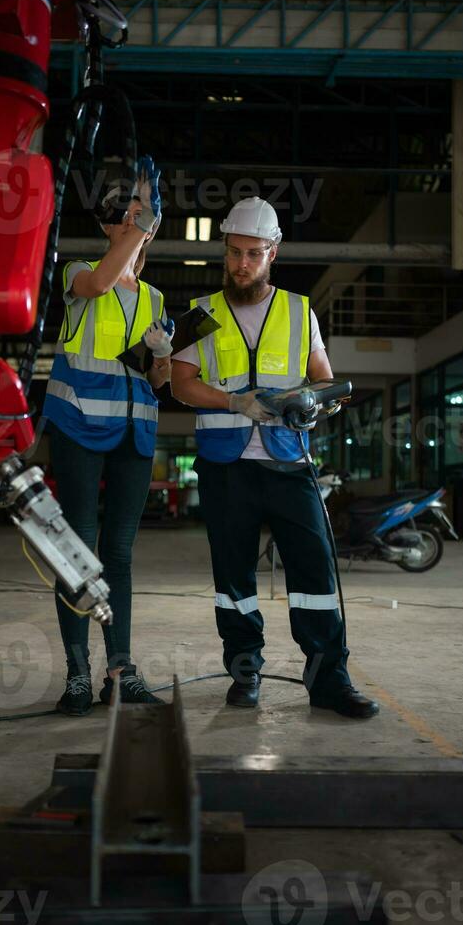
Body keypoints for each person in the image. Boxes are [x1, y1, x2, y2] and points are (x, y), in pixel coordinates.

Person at [171, 197, 379, 719]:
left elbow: (324, 381)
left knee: (315, 569)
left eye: (255, 253)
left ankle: (329, 680)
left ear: (273, 253)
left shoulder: (297, 310)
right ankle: (244, 675)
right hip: (226, 465)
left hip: (289, 462)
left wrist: (315, 405)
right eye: (235, 252)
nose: (243, 263)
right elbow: (181, 385)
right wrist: (234, 401)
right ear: (225, 251)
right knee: (234, 579)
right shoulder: (201, 315)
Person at [43, 156, 174, 715]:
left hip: (134, 438)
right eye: (127, 214)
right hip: (76, 427)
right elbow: (101, 281)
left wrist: (165, 358)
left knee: (117, 555)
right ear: (109, 224)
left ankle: (119, 671)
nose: (137, 223)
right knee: (78, 553)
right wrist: (139, 221)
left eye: (143, 215)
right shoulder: (78, 272)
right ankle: (77, 675)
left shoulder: (156, 300)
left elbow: (159, 381)